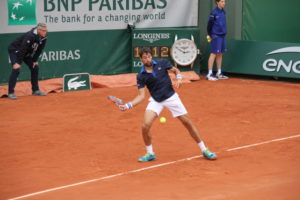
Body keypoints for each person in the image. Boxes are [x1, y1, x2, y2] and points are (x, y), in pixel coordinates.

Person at [119, 47, 217, 162]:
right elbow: (141, 96)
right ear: (141, 59)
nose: (148, 59)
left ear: (152, 56)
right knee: (145, 126)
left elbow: (175, 70)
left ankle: (204, 149)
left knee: (187, 123)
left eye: (149, 56)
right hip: (156, 100)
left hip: (171, 97)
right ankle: (150, 153)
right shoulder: (141, 76)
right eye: (145, 57)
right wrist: (128, 105)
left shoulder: (162, 63)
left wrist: (179, 78)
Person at [7, 23, 48, 100]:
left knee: (35, 67)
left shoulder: (44, 37)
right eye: (43, 31)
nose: (45, 32)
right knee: (16, 69)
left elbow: (39, 50)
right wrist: (18, 63)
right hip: (15, 50)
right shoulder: (30, 36)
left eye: (46, 31)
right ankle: (11, 92)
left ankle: (35, 90)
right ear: (39, 30)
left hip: (26, 52)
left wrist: (35, 60)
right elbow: (23, 48)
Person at [206, 0, 229, 81]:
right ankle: (209, 74)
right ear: (217, 2)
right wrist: (210, 34)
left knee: (220, 53)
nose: (224, 3)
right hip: (215, 36)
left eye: (224, 1)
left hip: (222, 36)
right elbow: (209, 25)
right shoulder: (213, 13)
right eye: (222, 1)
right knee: (213, 53)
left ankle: (219, 73)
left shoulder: (223, 12)